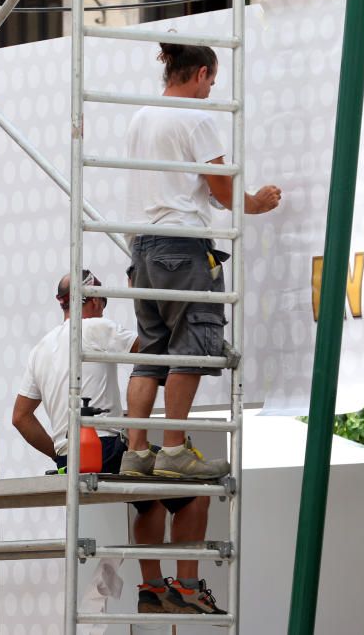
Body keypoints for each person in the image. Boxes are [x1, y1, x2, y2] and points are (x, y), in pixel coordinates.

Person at [12, 270, 226, 615]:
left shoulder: (40, 349)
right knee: (197, 491)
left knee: (151, 503)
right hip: (108, 447)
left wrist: (63, 454)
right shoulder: (97, 327)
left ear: (62, 303)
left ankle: (154, 590)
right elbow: (154, 354)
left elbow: (20, 417)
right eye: (105, 300)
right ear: (95, 301)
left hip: (76, 455)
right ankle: (188, 589)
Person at [120, 42, 282, 480]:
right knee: (190, 346)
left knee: (151, 351)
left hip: (142, 248)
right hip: (182, 243)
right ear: (201, 73)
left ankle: (136, 450)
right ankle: (174, 450)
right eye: (212, 78)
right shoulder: (197, 118)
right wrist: (257, 203)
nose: (212, 88)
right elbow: (222, 190)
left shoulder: (141, 116)